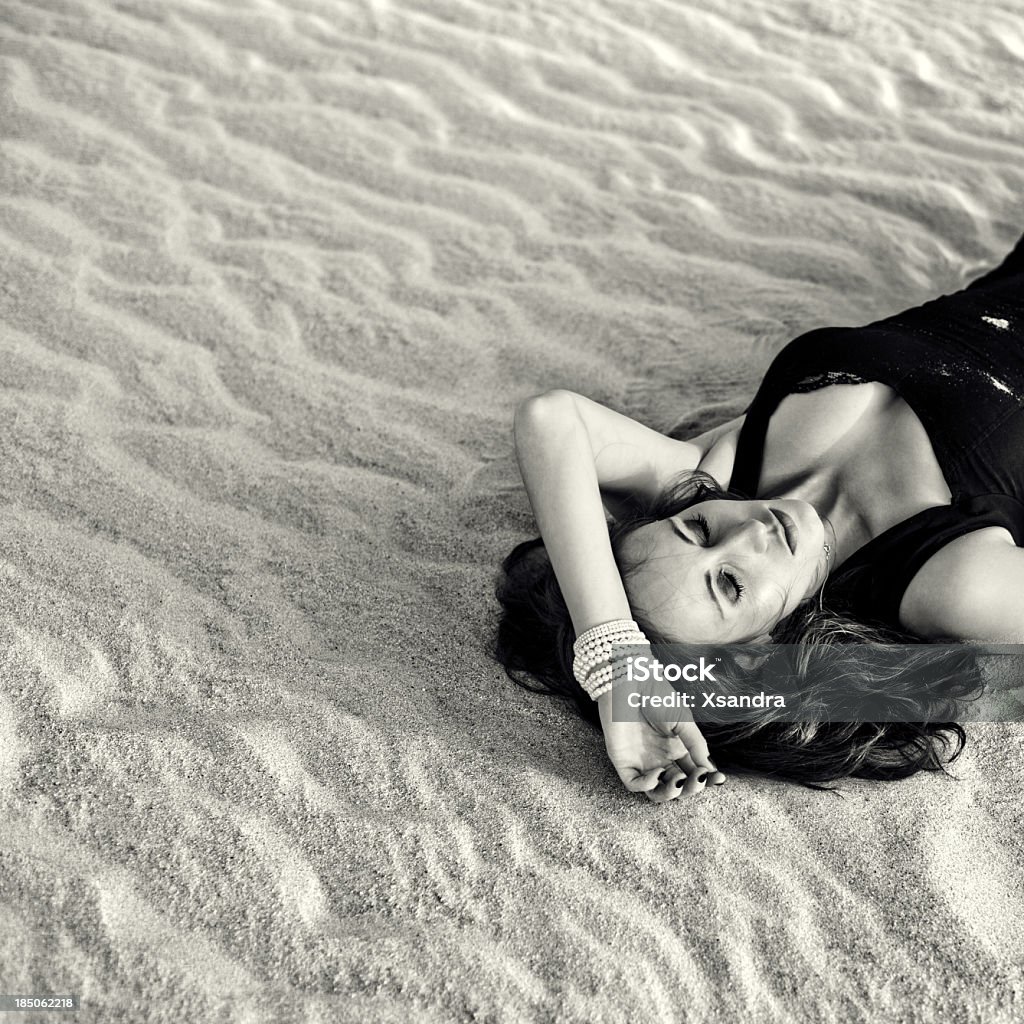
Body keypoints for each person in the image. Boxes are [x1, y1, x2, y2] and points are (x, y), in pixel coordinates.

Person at [496, 232, 1024, 801]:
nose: (749, 531)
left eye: (697, 529)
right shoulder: (950, 581)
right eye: (729, 583)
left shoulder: (716, 469)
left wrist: (617, 661)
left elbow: (552, 420)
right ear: (763, 649)